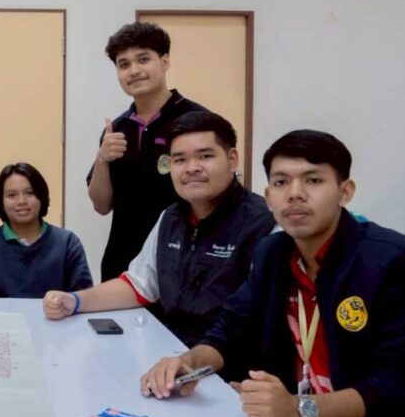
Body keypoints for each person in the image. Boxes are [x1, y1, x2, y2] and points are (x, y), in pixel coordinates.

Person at [140, 130, 405, 417]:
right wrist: (189, 363)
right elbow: (232, 326)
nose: (295, 193)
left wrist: (299, 408)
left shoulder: (396, 263)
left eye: (313, 180)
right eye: (281, 182)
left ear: (345, 191)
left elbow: (404, 385)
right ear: (268, 197)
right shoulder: (273, 254)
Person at [45, 112, 276, 350]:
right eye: (180, 160)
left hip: (228, 362)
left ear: (232, 159)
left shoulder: (264, 225)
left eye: (205, 156)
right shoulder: (171, 218)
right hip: (171, 352)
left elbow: (262, 319)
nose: (192, 168)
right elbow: (138, 285)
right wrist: (75, 301)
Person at [87, 21, 208, 280]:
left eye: (143, 59)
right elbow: (101, 205)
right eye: (124, 64)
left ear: (164, 61)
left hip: (182, 260)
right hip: (123, 263)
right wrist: (102, 159)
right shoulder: (116, 129)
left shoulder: (198, 122)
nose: (134, 71)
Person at [0, 162, 92, 298]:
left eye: (30, 193)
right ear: (1, 202)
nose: (21, 201)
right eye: (12, 195)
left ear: (42, 196)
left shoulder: (67, 243)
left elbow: (83, 298)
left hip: (55, 313)